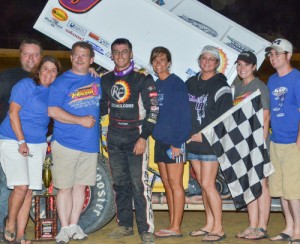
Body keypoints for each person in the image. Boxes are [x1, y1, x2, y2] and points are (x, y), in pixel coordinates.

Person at [100, 38, 158, 244]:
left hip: (137, 135)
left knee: (138, 184)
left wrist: (144, 137)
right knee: (120, 184)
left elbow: (153, 111)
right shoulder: (105, 79)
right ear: (111, 55)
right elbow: (100, 108)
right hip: (114, 137)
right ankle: (125, 225)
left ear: (131, 54)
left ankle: (146, 229)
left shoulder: (143, 79)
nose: (120, 56)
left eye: (124, 52)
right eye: (116, 52)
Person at [0, 55, 61, 244]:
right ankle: (9, 223)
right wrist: (21, 141)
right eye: (45, 69)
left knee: (29, 192)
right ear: (38, 70)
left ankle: (20, 235)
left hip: (38, 144)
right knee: (21, 186)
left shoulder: (53, 92)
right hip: (13, 140)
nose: (49, 73)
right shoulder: (26, 85)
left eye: (53, 70)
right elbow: (13, 112)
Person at [48, 41, 101, 244]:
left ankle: (73, 225)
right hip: (65, 143)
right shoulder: (61, 82)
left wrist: (94, 71)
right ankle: (63, 228)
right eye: (76, 55)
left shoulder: (96, 80)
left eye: (84, 56)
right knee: (64, 188)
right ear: (71, 58)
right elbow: (52, 111)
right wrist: (80, 120)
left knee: (81, 187)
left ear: (91, 60)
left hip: (89, 145)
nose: (80, 59)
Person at [186, 45, 232, 242]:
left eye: (211, 59)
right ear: (199, 61)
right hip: (191, 142)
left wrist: (203, 136)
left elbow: (226, 119)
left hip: (209, 143)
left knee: (208, 183)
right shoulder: (189, 83)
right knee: (203, 185)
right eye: (203, 58)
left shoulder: (222, 87)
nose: (206, 62)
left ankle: (219, 228)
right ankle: (209, 224)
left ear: (217, 63)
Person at [0, 38, 42, 242]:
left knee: (25, 191)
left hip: (33, 143)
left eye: (35, 54)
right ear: (20, 54)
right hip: (7, 140)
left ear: (40, 57)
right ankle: (6, 227)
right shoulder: (8, 77)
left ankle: (18, 234)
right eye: (27, 53)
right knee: (11, 188)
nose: (31, 58)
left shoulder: (48, 78)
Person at [149, 47, 191, 238]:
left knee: (176, 184)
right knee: (166, 183)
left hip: (176, 141)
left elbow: (184, 116)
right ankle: (172, 224)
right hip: (160, 141)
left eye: (162, 60)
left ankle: (176, 227)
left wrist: (177, 142)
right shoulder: (156, 84)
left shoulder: (177, 84)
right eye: (155, 61)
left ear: (169, 63)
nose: (159, 64)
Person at [232, 51, 271, 240]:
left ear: (254, 67)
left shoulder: (259, 87)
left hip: (257, 145)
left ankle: (262, 227)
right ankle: (253, 224)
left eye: (246, 65)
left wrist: (261, 147)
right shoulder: (237, 86)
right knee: (249, 185)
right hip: (243, 144)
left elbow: (265, 116)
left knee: (261, 184)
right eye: (239, 64)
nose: (242, 68)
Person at [265, 38, 300, 242]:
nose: (273, 58)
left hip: (292, 143)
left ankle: (298, 230)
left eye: (277, 54)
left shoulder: (296, 79)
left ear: (288, 55)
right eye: (271, 54)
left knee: (293, 189)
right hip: (275, 141)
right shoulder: (272, 80)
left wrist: (298, 141)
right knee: (279, 189)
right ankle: (288, 227)